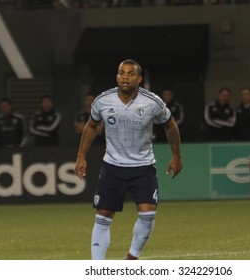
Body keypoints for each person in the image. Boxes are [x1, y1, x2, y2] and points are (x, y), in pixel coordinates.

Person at [74, 59, 182, 260]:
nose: (125, 76)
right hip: (112, 167)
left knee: (148, 214)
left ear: (139, 79)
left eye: (131, 73)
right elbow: (90, 126)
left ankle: (131, 258)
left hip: (143, 167)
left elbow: (171, 125)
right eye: (121, 72)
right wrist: (81, 156)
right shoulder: (103, 101)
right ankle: (98, 268)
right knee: (103, 217)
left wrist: (176, 156)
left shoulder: (153, 102)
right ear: (117, 76)